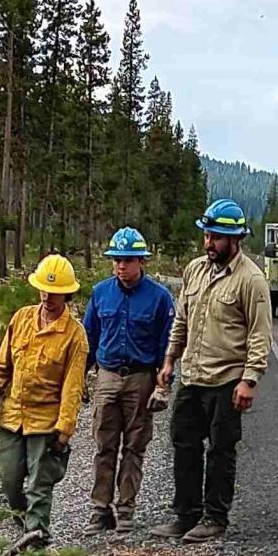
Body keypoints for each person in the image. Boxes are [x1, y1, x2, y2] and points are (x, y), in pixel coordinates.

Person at [154, 198, 271, 541]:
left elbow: (260, 334)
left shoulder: (252, 280)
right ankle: (185, 515)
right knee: (184, 444)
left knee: (221, 449)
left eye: (217, 237)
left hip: (227, 379)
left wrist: (249, 380)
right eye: (207, 235)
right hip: (192, 376)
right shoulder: (194, 270)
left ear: (235, 240)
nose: (209, 243)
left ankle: (215, 517)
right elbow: (182, 321)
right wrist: (169, 360)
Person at [0, 253, 89, 549]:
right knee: (9, 479)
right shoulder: (22, 318)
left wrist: (64, 428)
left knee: (40, 487)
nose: (48, 297)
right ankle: (29, 530)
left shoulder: (75, 336)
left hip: (46, 422)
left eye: (55, 292)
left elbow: (72, 386)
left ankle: (36, 546)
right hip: (14, 414)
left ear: (66, 294)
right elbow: (3, 362)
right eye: (44, 289)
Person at [81, 226, 176, 532]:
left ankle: (126, 509)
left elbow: (168, 345)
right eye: (117, 259)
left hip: (141, 377)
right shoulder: (100, 293)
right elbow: (88, 338)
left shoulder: (160, 299)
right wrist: (80, 375)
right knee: (103, 444)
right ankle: (100, 509)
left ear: (141, 261)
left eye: (128, 259)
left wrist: (163, 384)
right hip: (107, 376)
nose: (121, 265)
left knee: (134, 446)